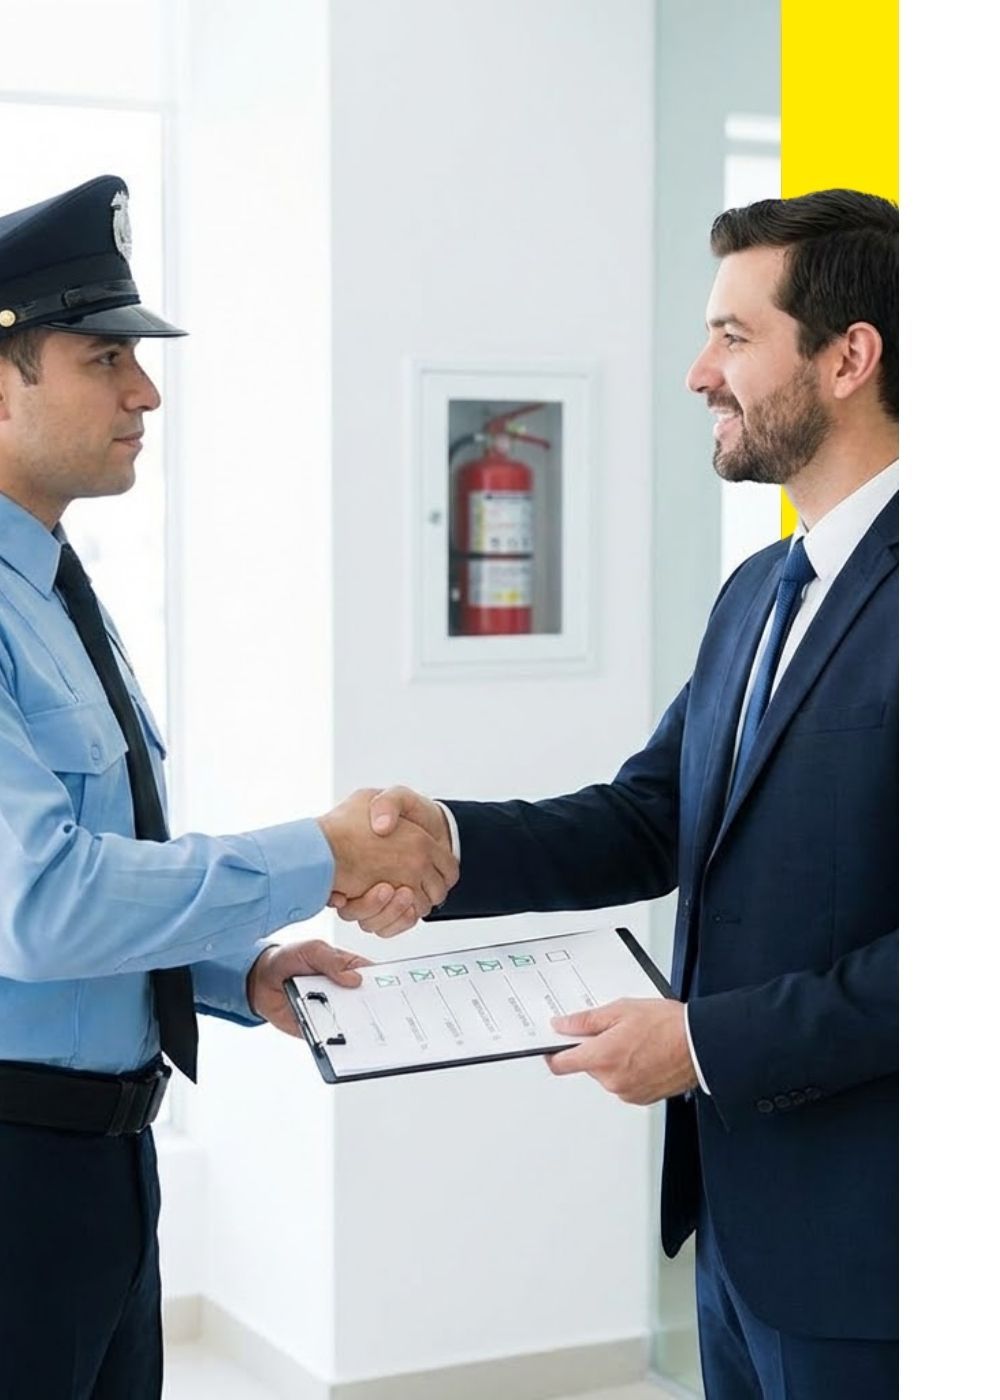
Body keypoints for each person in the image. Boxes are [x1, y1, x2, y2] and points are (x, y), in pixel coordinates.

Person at [335, 189, 899, 1399]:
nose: (700, 371)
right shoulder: (757, 588)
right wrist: (442, 841)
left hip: (887, 1249)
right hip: (737, 1235)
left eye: (735, 337)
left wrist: (701, 1039)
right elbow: (652, 814)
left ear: (850, 357)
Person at [0, 175, 458, 1400]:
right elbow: (40, 905)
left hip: (99, 1167)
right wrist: (320, 848)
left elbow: (87, 877)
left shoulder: (50, 591)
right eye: (105, 357)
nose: (145, 392)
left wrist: (234, 972)